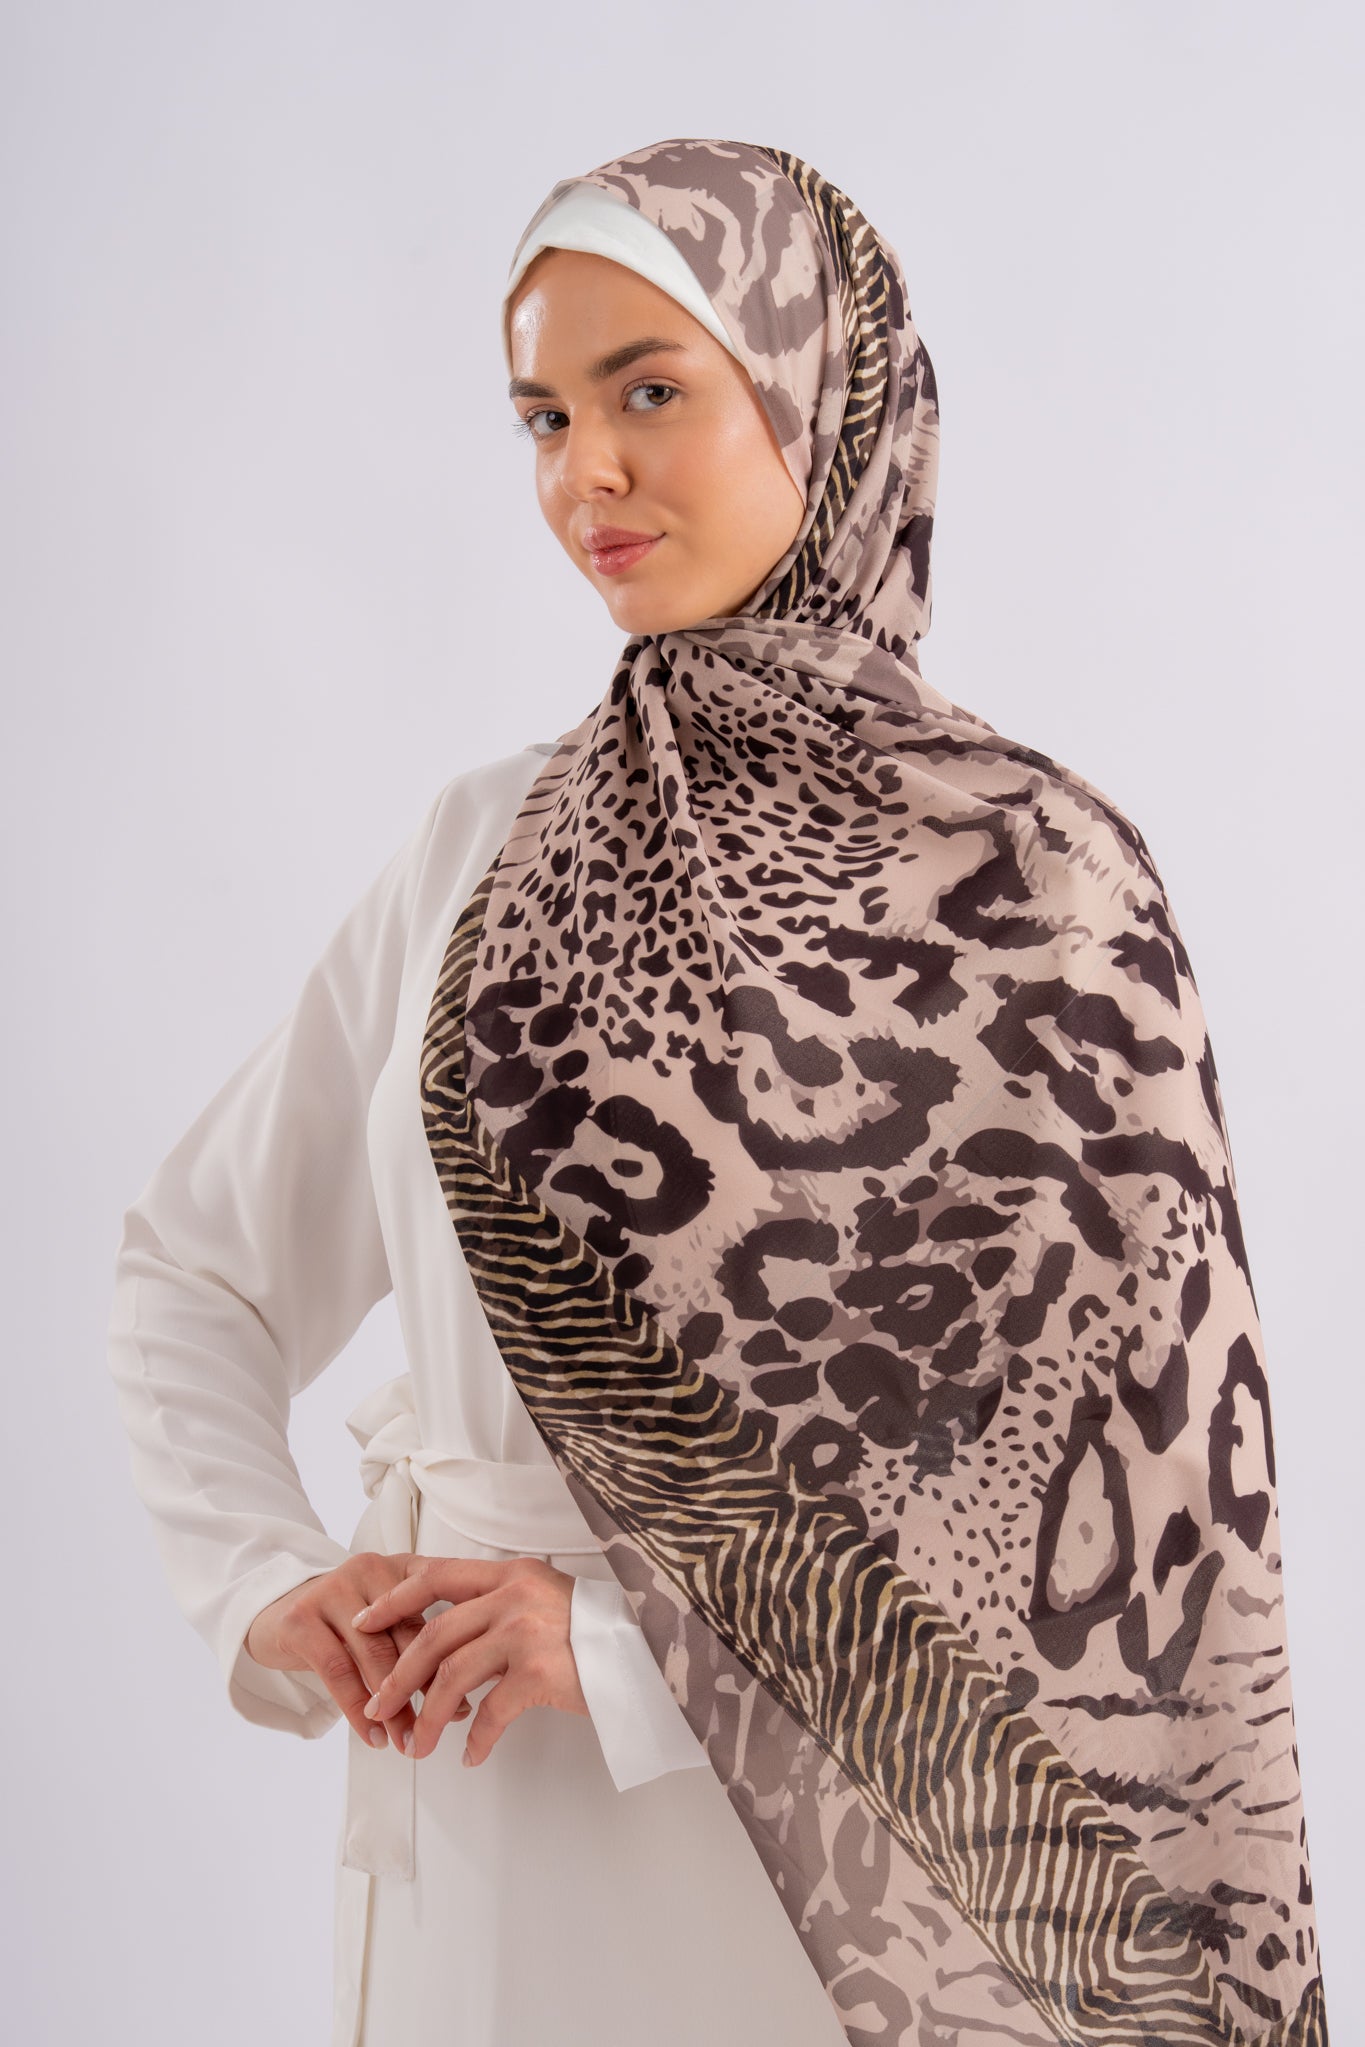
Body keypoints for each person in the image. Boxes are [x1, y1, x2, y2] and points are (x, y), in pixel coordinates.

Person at [107, 138, 1330, 2047]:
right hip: (476, 1825)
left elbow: (1094, 1495)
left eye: (649, 392)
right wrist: (267, 1586)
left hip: (840, 1903)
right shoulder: (476, 849)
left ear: (820, 397)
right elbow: (196, 1273)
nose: (580, 473)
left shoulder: (1033, 879)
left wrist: (612, 1641)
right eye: (541, 416)